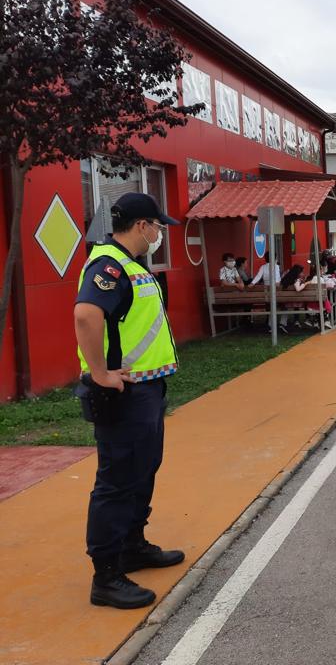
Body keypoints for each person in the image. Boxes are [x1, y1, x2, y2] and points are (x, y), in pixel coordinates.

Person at [73, 193, 185, 609]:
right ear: (143, 226)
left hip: (146, 390)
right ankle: (106, 576)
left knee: (142, 470)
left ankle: (132, 546)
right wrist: (100, 373)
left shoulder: (130, 265)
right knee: (118, 480)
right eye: (158, 226)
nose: (159, 233)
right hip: (124, 394)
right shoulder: (109, 265)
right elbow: (86, 315)